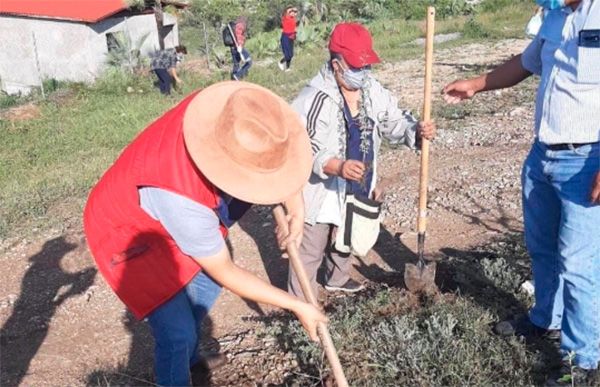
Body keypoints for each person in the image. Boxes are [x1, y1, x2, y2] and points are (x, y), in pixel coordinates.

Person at [83, 81, 327, 387]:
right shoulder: (183, 199)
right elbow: (224, 269)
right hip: (129, 228)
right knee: (177, 330)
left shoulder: (233, 111)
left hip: (172, 208)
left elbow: (279, 156)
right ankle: (177, 366)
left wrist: (296, 211)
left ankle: (188, 356)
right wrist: (297, 305)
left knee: (204, 287)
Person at [442, 0, 599, 385]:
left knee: (578, 264)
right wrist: (477, 85)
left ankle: (583, 361)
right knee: (541, 247)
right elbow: (528, 62)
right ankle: (546, 318)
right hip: (542, 154)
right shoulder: (557, 14)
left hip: (587, 159)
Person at [287, 22, 436, 300]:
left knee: (348, 232)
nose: (363, 73)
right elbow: (302, 149)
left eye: (366, 66)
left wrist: (414, 131)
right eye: (356, 67)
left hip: (360, 179)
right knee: (312, 243)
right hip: (320, 187)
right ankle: (300, 301)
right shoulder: (314, 98)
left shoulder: (372, 90)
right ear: (336, 65)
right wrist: (337, 166)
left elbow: (394, 121)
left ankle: (337, 278)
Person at [230, 16, 252, 80]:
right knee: (249, 62)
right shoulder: (240, 25)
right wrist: (239, 45)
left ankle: (234, 80)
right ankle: (238, 75)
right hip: (238, 47)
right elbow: (238, 36)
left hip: (233, 48)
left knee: (236, 64)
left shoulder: (235, 26)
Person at [278, 6, 299, 71]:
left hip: (291, 37)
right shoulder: (285, 18)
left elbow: (294, 28)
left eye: (293, 12)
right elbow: (285, 13)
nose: (292, 12)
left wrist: (295, 34)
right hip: (285, 37)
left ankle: (287, 68)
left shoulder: (293, 19)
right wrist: (288, 10)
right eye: (290, 12)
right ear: (287, 13)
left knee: (291, 54)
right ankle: (281, 62)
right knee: (287, 55)